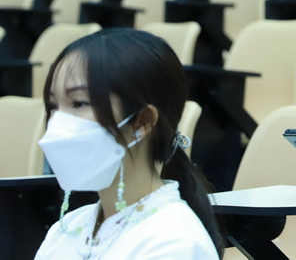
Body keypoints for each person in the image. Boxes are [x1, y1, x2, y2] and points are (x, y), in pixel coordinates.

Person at [36, 28, 223, 259]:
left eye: (79, 103)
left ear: (142, 122)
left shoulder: (175, 243)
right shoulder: (69, 228)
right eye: (53, 106)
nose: (58, 122)